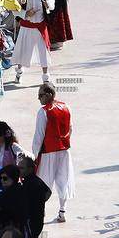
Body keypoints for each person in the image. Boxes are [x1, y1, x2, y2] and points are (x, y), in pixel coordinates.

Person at [31, 83, 74, 223]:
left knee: (42, 184)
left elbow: (39, 136)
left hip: (48, 152)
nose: (38, 99)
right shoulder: (66, 107)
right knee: (63, 181)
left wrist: (35, 155)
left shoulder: (43, 111)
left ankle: (39, 213)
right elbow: (70, 128)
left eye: (40, 95)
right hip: (64, 151)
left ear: (49, 94)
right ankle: (62, 211)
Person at [12, 0, 53, 85]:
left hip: (40, 26)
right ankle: (19, 73)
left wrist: (47, 5)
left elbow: (52, 3)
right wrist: (25, 13)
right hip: (27, 26)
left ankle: (46, 77)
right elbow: (14, 8)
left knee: (43, 52)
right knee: (22, 51)